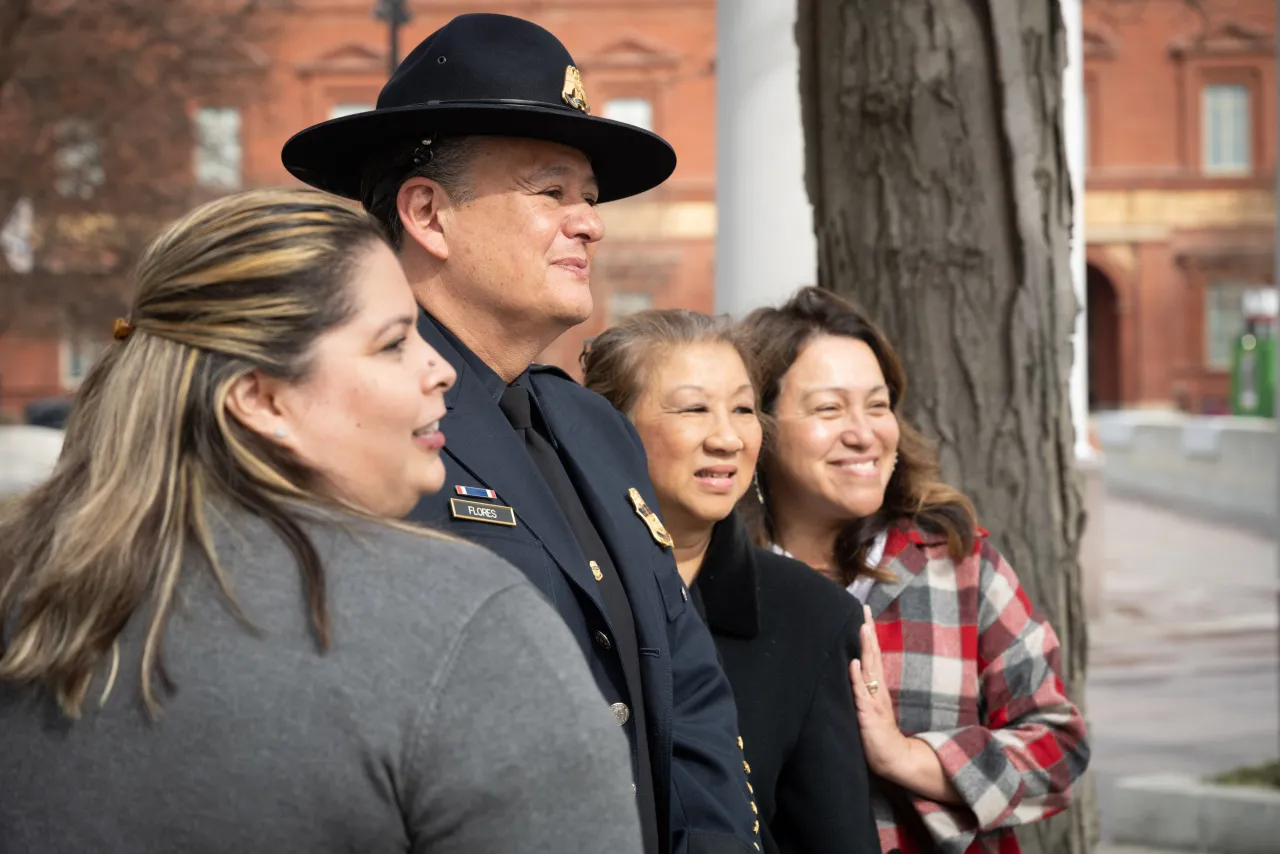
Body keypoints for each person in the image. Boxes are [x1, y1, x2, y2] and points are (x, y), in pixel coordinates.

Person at [0, 188, 645, 854]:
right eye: (394, 343)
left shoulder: (29, 584)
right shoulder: (464, 621)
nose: (440, 369)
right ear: (261, 399)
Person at [280, 13, 756, 854]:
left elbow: (690, 703)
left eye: (590, 198)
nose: (591, 223)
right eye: (552, 193)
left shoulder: (592, 426)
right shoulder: (353, 423)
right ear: (428, 213)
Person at [737, 287, 1091, 854]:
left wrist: (910, 758)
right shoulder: (719, 583)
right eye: (829, 408)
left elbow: (1060, 746)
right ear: (760, 427)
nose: (863, 432)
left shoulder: (958, 564)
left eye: (877, 406)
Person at [582, 309, 883, 854]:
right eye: (695, 409)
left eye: (743, 409)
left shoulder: (809, 614)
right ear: (609, 426)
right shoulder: (563, 588)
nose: (727, 438)